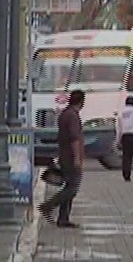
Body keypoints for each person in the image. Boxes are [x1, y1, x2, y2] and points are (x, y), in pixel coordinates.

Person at [39, 90, 85, 228]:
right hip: (70, 157)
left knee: (68, 186)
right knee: (72, 188)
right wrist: (77, 158)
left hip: (64, 155)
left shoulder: (65, 114)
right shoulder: (72, 116)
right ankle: (48, 206)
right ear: (82, 101)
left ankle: (63, 218)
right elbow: (74, 139)